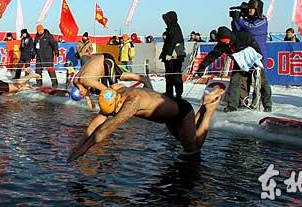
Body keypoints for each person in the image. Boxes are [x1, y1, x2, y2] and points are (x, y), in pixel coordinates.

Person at [67, 86, 224, 162]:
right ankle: (204, 108)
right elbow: (100, 119)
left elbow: (110, 126)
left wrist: (84, 150)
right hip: (169, 117)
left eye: (114, 111)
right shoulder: (117, 94)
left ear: (118, 103)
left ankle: (209, 109)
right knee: (188, 139)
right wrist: (78, 145)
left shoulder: (132, 102)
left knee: (193, 147)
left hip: (182, 112)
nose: (114, 114)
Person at [196, 26, 272, 112]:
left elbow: (257, 49)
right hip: (239, 64)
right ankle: (233, 105)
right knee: (234, 82)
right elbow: (213, 55)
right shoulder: (222, 45)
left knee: (262, 83)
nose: (226, 42)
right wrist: (202, 66)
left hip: (253, 62)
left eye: (226, 40)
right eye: (223, 41)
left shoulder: (243, 36)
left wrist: (256, 59)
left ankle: (267, 105)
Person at [72, 53, 153, 108]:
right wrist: (89, 100)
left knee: (114, 86)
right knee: (121, 76)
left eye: (82, 96)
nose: (84, 96)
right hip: (102, 59)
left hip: (106, 61)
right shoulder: (76, 81)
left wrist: (113, 104)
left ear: (80, 91)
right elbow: (84, 91)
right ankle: (143, 79)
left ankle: (127, 100)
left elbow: (106, 90)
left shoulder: (87, 80)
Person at [160, 11, 186, 100]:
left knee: (175, 76)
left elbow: (173, 41)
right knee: (169, 75)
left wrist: (168, 54)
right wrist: (163, 54)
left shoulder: (174, 28)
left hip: (175, 57)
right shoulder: (171, 28)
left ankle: (178, 94)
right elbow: (168, 43)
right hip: (171, 57)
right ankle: (169, 92)